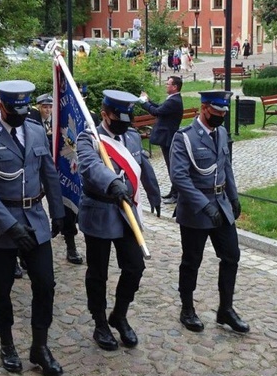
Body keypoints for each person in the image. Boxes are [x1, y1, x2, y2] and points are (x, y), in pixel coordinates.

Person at [0, 80, 65, 376]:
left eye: (25, 108)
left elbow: (49, 172)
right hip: (2, 224)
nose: (21, 114)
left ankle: (40, 346)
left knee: (45, 284)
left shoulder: (35, 131)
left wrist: (58, 212)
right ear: (2, 106)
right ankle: (6, 342)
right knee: (2, 287)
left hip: (35, 218)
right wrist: (9, 227)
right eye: (15, 109)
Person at [76, 90, 161, 351]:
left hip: (127, 215)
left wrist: (154, 192)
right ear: (105, 114)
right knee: (98, 272)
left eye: (127, 116)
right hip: (100, 212)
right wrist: (113, 184)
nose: (123, 121)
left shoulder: (132, 137)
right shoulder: (88, 138)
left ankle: (119, 315)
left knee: (135, 267)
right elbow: (91, 167)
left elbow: (141, 165)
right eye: (117, 116)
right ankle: (100, 322)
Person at [170, 90, 250, 334]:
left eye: (224, 112)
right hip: (196, 209)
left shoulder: (222, 132)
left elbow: (226, 167)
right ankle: (187, 309)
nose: (221, 117)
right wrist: (203, 205)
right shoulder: (184, 138)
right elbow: (180, 178)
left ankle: (225, 309)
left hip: (221, 204)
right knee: (192, 260)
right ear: (204, 108)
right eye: (217, 112)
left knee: (231, 256)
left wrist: (234, 197)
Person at [29, 93, 83, 266]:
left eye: (50, 107)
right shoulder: (32, 121)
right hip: (37, 170)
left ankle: (70, 244)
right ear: (38, 107)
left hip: (59, 171)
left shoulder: (59, 122)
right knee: (29, 204)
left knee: (67, 206)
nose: (48, 110)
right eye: (44, 107)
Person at [138, 76, 184, 204]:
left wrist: (144, 102)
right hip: (166, 138)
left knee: (172, 167)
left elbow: (156, 112)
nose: (166, 85)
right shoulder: (172, 99)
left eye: (168, 84)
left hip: (168, 138)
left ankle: (176, 194)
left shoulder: (174, 101)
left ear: (175, 87)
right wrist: (148, 100)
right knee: (171, 166)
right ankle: (173, 191)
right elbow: (160, 108)